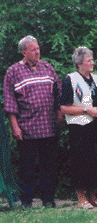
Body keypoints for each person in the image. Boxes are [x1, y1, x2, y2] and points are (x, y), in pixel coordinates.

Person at [3, 35, 62, 208]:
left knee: (49, 165)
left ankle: (48, 199)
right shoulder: (13, 71)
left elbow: (58, 93)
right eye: (33, 50)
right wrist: (15, 127)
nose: (37, 52)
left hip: (49, 126)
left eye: (38, 49)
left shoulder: (47, 67)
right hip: (26, 128)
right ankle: (27, 201)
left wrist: (59, 115)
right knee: (27, 167)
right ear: (24, 52)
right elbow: (9, 101)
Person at [60, 46, 97, 209]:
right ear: (79, 64)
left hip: (96, 126)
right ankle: (81, 197)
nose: (92, 62)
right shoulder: (71, 79)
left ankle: (93, 196)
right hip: (78, 127)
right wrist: (87, 110)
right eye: (89, 60)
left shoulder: (96, 78)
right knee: (81, 161)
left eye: (92, 59)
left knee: (96, 160)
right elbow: (64, 107)